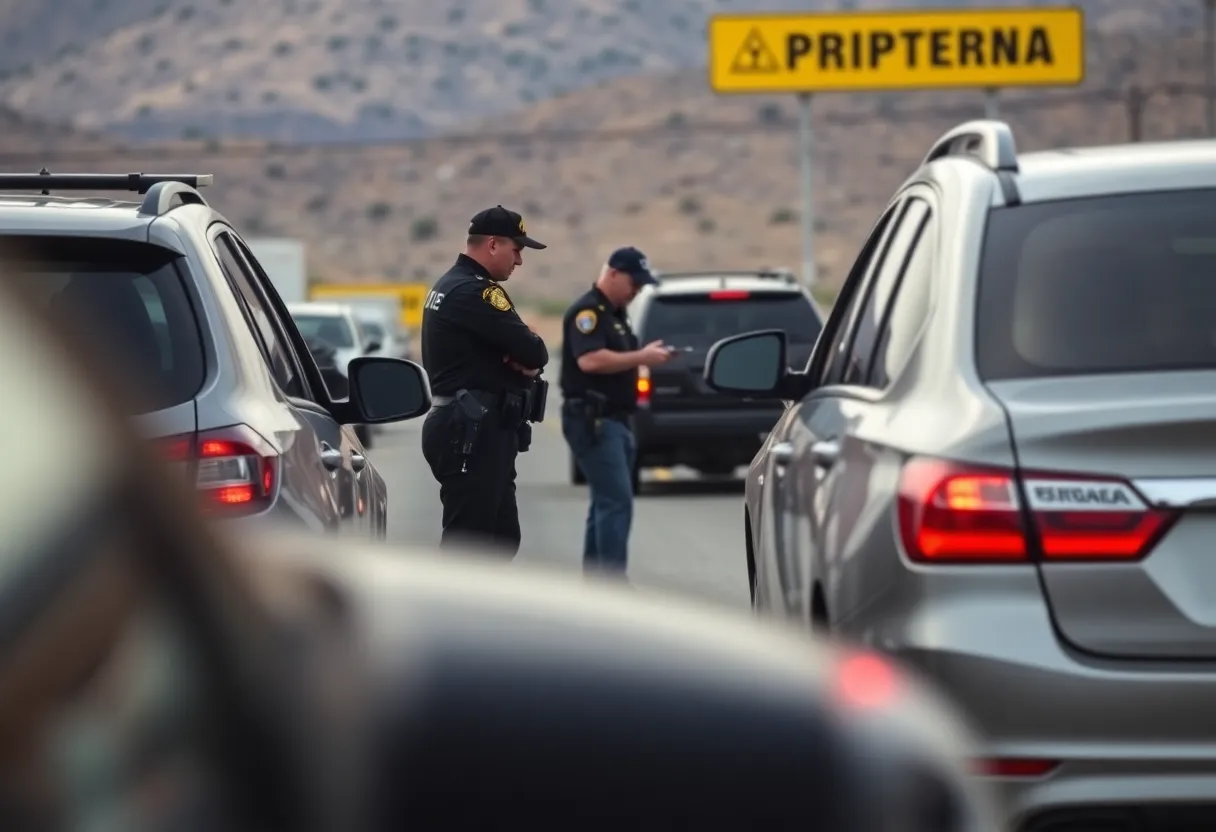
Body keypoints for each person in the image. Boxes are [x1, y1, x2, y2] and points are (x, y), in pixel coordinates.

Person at [420, 205, 549, 556]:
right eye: (517, 249)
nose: (519, 261)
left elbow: (525, 350)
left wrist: (522, 351)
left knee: (501, 538)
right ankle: (451, 611)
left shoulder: (453, 284)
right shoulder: (476, 292)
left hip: (473, 426)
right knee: (470, 549)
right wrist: (525, 352)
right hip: (471, 431)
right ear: (493, 244)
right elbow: (535, 352)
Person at [560, 246, 674, 577]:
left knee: (605, 503)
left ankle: (598, 584)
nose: (636, 290)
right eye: (633, 282)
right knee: (616, 502)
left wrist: (644, 355)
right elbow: (590, 359)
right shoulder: (589, 313)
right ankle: (611, 584)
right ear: (612, 274)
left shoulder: (615, 314)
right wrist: (641, 358)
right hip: (594, 419)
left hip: (617, 420)